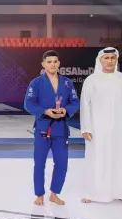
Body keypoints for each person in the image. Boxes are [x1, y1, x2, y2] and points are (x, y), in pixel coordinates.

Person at [79, 47, 122, 205]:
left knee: (120, 159)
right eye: (107, 58)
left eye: (113, 58)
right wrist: (85, 128)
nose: (110, 61)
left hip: (119, 128)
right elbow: (85, 105)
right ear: (100, 60)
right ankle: (92, 193)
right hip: (97, 128)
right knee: (96, 159)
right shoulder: (91, 80)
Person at [24, 50, 80, 206]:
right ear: (43, 64)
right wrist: (45, 111)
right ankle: (39, 195)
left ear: (59, 63)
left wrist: (65, 111)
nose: (52, 64)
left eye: (55, 61)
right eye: (49, 62)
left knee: (62, 163)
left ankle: (54, 194)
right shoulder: (35, 83)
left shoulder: (67, 83)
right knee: (40, 162)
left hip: (61, 128)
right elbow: (28, 103)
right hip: (43, 127)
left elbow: (75, 102)